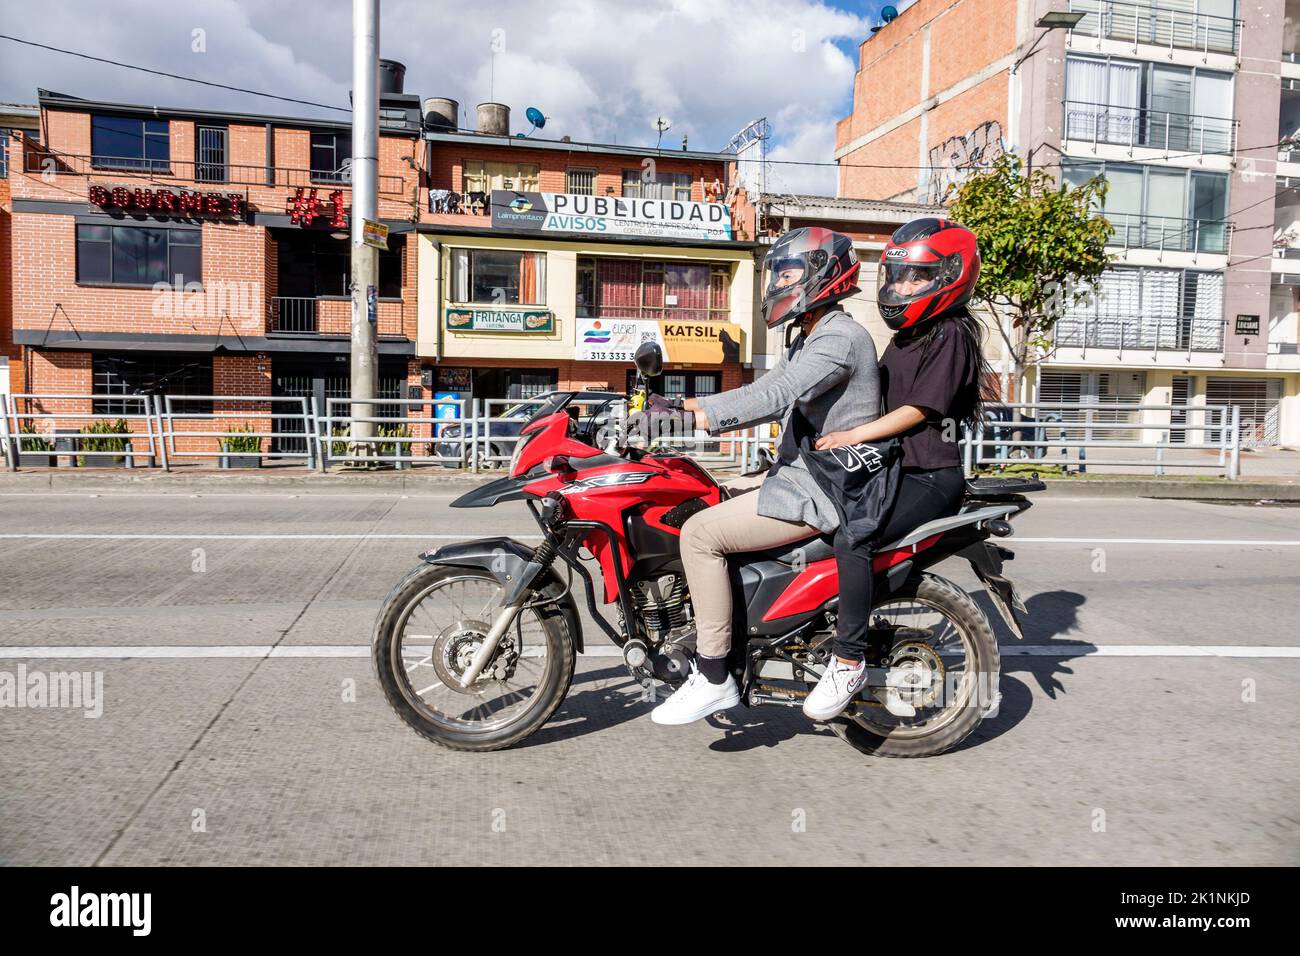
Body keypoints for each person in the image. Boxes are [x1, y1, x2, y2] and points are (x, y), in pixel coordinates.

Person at [650, 226, 880, 726]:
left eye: (789, 273)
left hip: (824, 490)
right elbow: (771, 386)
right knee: (697, 497)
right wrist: (680, 403)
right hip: (801, 475)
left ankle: (713, 675)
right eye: (777, 274)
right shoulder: (812, 335)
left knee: (699, 534)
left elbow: (770, 400)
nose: (778, 284)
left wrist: (682, 420)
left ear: (823, 274)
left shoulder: (839, 338)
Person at [801, 217, 991, 721]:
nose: (900, 287)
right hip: (891, 468)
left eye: (916, 277)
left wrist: (852, 436)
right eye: (896, 276)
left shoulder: (950, 333)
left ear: (950, 275)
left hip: (930, 475)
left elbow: (920, 411)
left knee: (853, 536)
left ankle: (848, 659)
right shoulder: (907, 336)